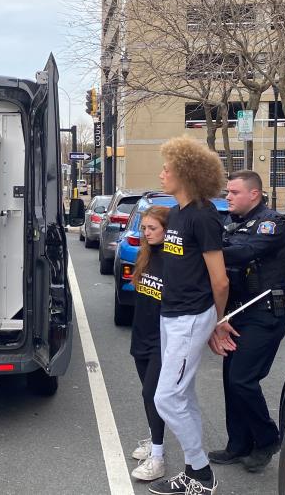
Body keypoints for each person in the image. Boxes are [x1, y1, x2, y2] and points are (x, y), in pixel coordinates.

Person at [148, 136, 228, 495]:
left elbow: (220, 280)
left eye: (169, 167)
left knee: (165, 397)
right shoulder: (176, 213)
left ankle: (202, 472)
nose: (163, 172)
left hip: (192, 317)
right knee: (184, 396)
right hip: (171, 315)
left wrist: (217, 320)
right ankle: (194, 474)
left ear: (186, 171)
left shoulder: (202, 215)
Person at [207, 170, 285, 474]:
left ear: (253, 194)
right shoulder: (233, 225)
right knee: (232, 380)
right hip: (238, 313)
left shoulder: (273, 223)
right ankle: (239, 445)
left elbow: (245, 253)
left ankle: (267, 439)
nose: (227, 197)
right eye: (227, 192)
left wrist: (206, 251)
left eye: (233, 192)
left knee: (243, 379)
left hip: (265, 314)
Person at [129, 206, 172, 482]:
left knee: (152, 394)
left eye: (152, 228)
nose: (146, 233)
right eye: (144, 228)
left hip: (162, 339)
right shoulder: (145, 255)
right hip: (140, 335)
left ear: (167, 230)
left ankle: (157, 458)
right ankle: (155, 441)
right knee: (149, 396)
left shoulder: (175, 260)